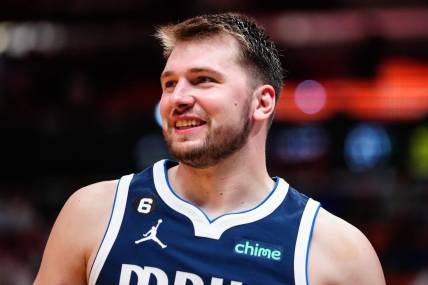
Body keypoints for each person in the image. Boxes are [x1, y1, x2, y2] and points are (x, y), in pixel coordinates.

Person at [34, 13, 385, 285]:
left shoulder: (338, 253)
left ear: (261, 102)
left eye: (203, 80)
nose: (178, 98)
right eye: (170, 83)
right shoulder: (94, 213)